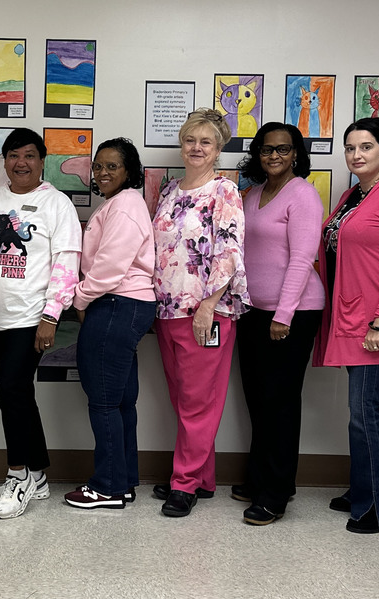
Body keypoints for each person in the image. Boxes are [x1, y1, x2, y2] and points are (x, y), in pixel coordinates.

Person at [0, 128, 82, 519]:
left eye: (29, 155)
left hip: (32, 316)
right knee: (18, 394)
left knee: (11, 392)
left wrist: (51, 315)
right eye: (14, 155)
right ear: (5, 161)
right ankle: (40, 475)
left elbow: (67, 263)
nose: (21, 162)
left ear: (42, 160)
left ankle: (19, 476)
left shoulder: (56, 204)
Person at [316, 117, 379, 533]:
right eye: (350, 148)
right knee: (358, 410)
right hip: (348, 313)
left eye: (366, 147)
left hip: (374, 320)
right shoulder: (354, 194)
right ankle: (363, 488)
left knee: (366, 411)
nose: (356, 155)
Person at [151, 108, 249, 518]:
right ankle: (203, 477)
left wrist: (208, 305)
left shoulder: (224, 191)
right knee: (184, 399)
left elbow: (230, 250)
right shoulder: (170, 190)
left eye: (205, 142)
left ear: (218, 148)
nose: (196, 148)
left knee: (197, 401)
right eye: (190, 140)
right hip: (167, 308)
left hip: (206, 310)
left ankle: (185, 483)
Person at [232, 122, 324, 525]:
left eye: (283, 150)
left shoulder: (302, 194)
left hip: (294, 313)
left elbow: (303, 259)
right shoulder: (252, 194)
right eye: (267, 150)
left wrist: (284, 316)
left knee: (280, 402)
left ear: (296, 155)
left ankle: (276, 493)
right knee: (257, 398)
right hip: (254, 311)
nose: (274, 156)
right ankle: (260, 477)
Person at [63, 138, 156, 510]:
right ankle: (123, 481)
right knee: (120, 402)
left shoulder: (125, 207)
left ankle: (106, 487)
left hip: (117, 304)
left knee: (103, 401)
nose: (102, 173)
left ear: (130, 172)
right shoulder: (120, 204)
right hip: (126, 305)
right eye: (98, 166)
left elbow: (109, 267)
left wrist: (80, 297)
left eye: (112, 166)